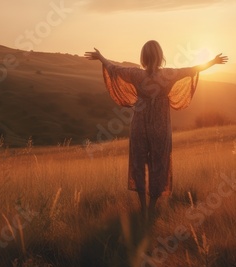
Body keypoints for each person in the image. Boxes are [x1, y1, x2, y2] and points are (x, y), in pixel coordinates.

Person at [85, 40, 228, 218]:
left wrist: (101, 57)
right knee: (159, 164)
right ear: (161, 56)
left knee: (139, 163)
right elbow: (193, 69)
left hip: (140, 125)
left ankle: (143, 207)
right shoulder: (168, 74)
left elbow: (114, 69)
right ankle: (152, 207)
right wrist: (212, 62)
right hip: (160, 126)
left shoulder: (136, 75)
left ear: (143, 57)